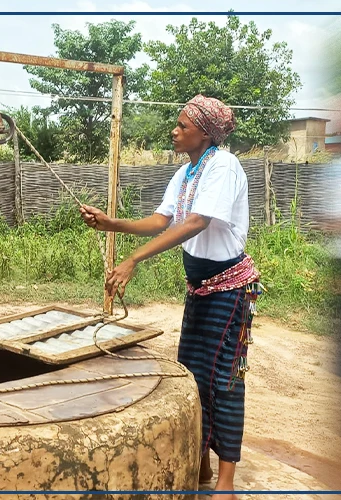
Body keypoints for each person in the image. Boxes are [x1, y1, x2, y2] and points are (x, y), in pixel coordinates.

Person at [80, 95, 259, 498]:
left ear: (206, 133)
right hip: (200, 289)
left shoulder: (223, 166)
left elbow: (196, 222)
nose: (174, 131)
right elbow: (162, 220)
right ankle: (201, 464)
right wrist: (113, 223)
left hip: (229, 289)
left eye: (183, 125)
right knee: (193, 376)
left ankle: (226, 482)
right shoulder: (185, 173)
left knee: (225, 380)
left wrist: (133, 260)